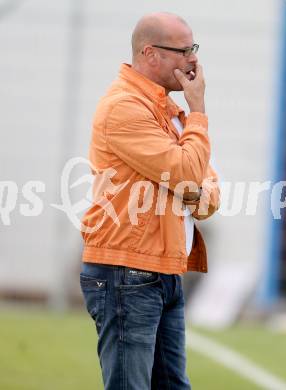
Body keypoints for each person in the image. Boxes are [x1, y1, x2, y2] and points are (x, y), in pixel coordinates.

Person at [79, 12, 220, 390]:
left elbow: (209, 197)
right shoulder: (125, 107)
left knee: (174, 385)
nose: (193, 60)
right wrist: (199, 112)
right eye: (183, 50)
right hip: (128, 273)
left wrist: (185, 183)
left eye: (194, 48)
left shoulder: (170, 111)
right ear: (150, 53)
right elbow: (191, 175)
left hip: (164, 272)